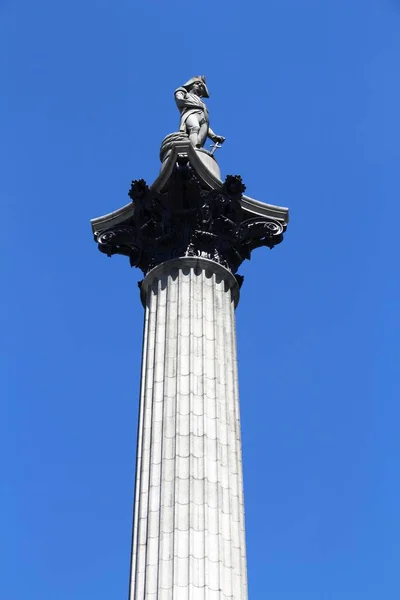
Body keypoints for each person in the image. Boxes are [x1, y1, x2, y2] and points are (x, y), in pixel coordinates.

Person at [174, 76, 226, 149]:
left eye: (201, 86)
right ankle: (193, 149)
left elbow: (206, 126)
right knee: (195, 127)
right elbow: (179, 100)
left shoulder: (201, 101)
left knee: (200, 139)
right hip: (191, 113)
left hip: (203, 117)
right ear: (191, 85)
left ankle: (196, 150)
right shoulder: (185, 93)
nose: (199, 86)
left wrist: (214, 136)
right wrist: (195, 104)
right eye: (197, 83)